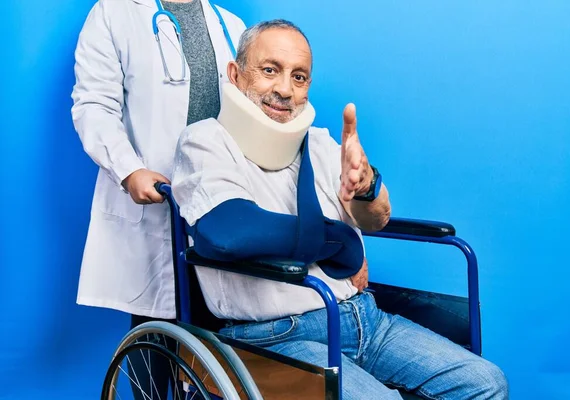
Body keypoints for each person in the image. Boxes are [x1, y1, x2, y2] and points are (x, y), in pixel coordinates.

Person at [171, 19, 509, 400]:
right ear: (236, 74)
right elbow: (228, 232)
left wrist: (368, 187)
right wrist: (342, 241)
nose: (284, 89)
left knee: (485, 383)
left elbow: (376, 218)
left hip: (365, 318)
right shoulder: (205, 142)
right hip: (278, 336)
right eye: (270, 71)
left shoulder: (320, 143)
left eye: (299, 78)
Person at [70, 0, 246, 398]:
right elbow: (94, 105)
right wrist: (129, 169)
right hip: (157, 207)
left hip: (219, 211)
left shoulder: (231, 26)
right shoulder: (114, 13)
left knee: (219, 357)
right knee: (155, 347)